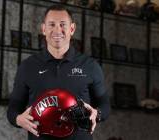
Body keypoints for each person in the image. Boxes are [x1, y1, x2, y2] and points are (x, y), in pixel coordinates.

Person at [7, 4, 110, 140]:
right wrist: (18, 119)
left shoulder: (90, 66)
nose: (57, 30)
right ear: (43, 29)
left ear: (72, 29)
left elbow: (104, 104)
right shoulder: (28, 66)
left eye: (63, 24)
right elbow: (13, 108)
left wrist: (98, 114)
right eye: (52, 24)